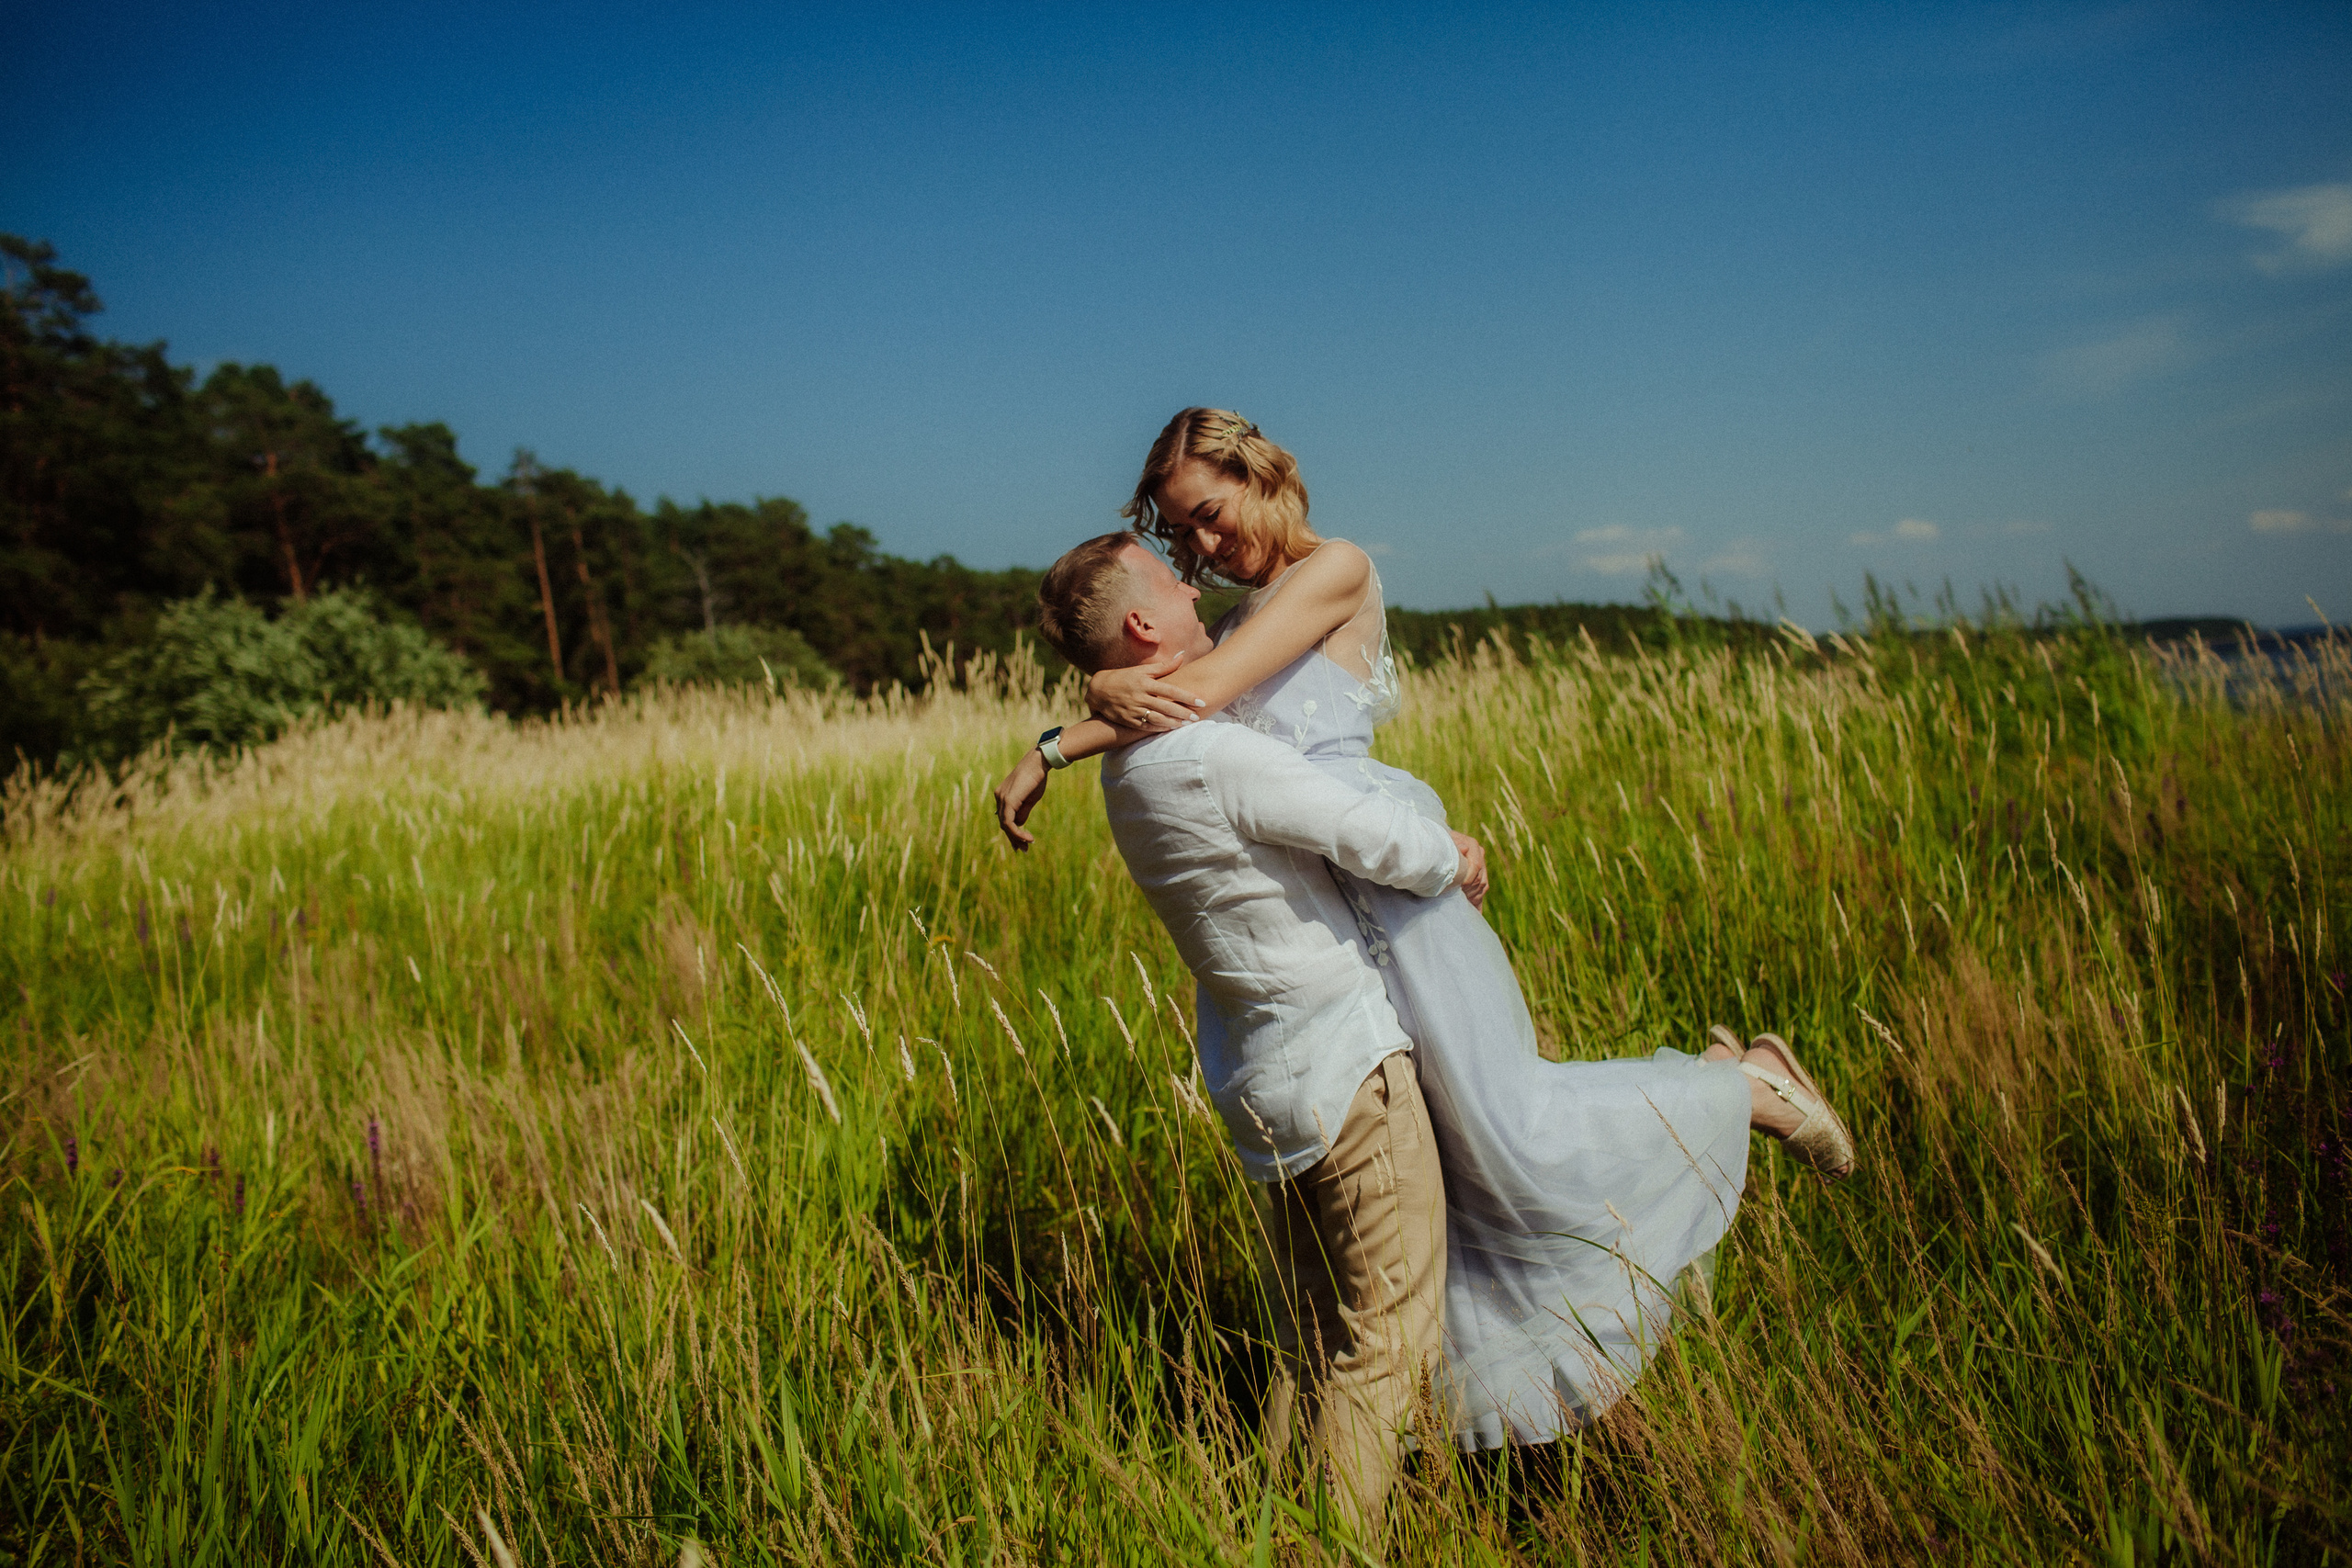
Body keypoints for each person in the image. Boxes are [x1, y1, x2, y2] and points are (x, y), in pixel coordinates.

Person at [995, 410, 1856, 1453]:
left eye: (1209, 519)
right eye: (1184, 539)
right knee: (1443, 1178)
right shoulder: (1236, 620)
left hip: (1397, 894)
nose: (1204, 552)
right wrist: (1060, 737)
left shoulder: (1334, 571)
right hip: (1333, 922)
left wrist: (1080, 709)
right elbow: (1183, 708)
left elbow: (1196, 696)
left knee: (1515, 1130)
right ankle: (1423, 1423)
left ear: (1260, 472)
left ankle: (1745, 1089)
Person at [1031, 531, 1476, 1540]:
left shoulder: (1131, 773)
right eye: (1174, 580)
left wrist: (1061, 734)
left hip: (1258, 1080)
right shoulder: (1216, 753)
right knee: (1385, 1344)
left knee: (1311, 1338)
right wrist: (1452, 852)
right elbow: (1376, 837)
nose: (1196, 585)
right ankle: (1333, 1550)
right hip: (1345, 1066)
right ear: (1143, 623)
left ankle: (1272, 1526)